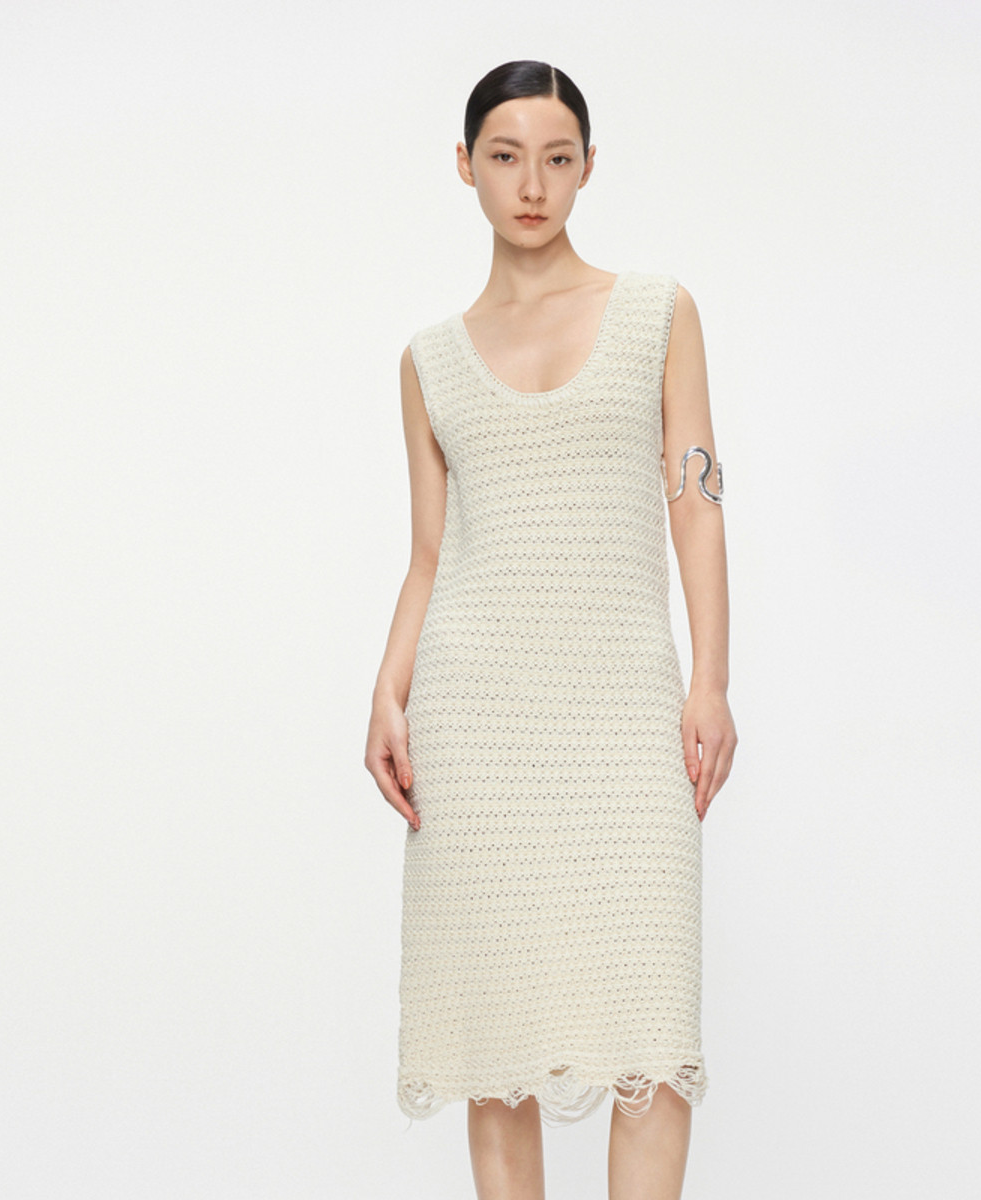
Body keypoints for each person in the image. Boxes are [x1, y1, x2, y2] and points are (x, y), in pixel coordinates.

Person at [365, 59, 736, 1200]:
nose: (532, 185)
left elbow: (696, 502)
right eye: (506, 157)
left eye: (557, 158)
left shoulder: (658, 312)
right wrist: (386, 690)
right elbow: (430, 554)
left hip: (623, 711)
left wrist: (711, 681)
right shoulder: (429, 360)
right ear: (465, 166)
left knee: (651, 1037)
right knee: (498, 1050)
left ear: (587, 168)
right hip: (476, 720)